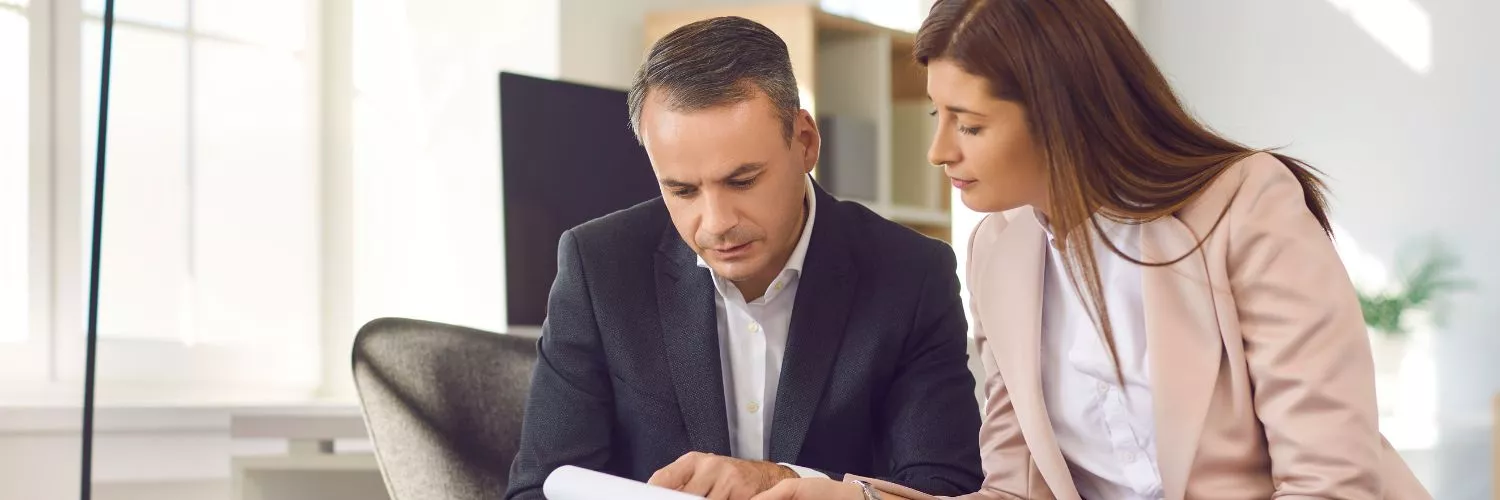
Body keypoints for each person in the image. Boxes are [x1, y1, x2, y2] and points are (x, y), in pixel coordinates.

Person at [753, 1, 1431, 499]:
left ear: (1062, 115)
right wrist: (849, 497)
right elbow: (1014, 495)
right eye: (939, 116)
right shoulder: (999, 252)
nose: (940, 151)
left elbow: (1329, 481)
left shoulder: (1247, 205)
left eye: (971, 124)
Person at [504, 16, 984, 500]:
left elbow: (946, 489)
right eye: (682, 190)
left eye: (742, 181)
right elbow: (538, 490)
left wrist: (788, 482)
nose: (715, 223)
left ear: (805, 142)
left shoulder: (912, 276)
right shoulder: (599, 267)